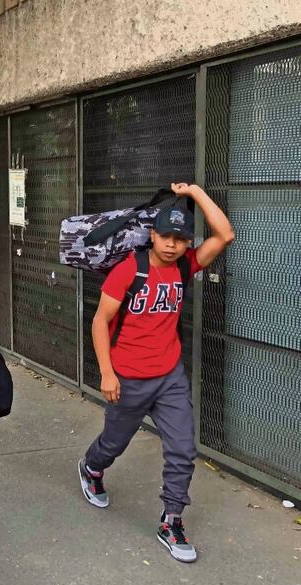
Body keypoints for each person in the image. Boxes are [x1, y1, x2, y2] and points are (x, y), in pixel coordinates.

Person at [78, 183, 235, 563]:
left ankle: (171, 519)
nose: (172, 245)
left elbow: (225, 234)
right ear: (152, 235)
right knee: (112, 445)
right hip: (128, 377)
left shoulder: (185, 265)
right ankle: (91, 468)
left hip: (169, 377)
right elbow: (101, 322)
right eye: (165, 236)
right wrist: (107, 373)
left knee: (183, 450)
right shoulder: (129, 270)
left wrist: (196, 192)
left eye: (180, 239)